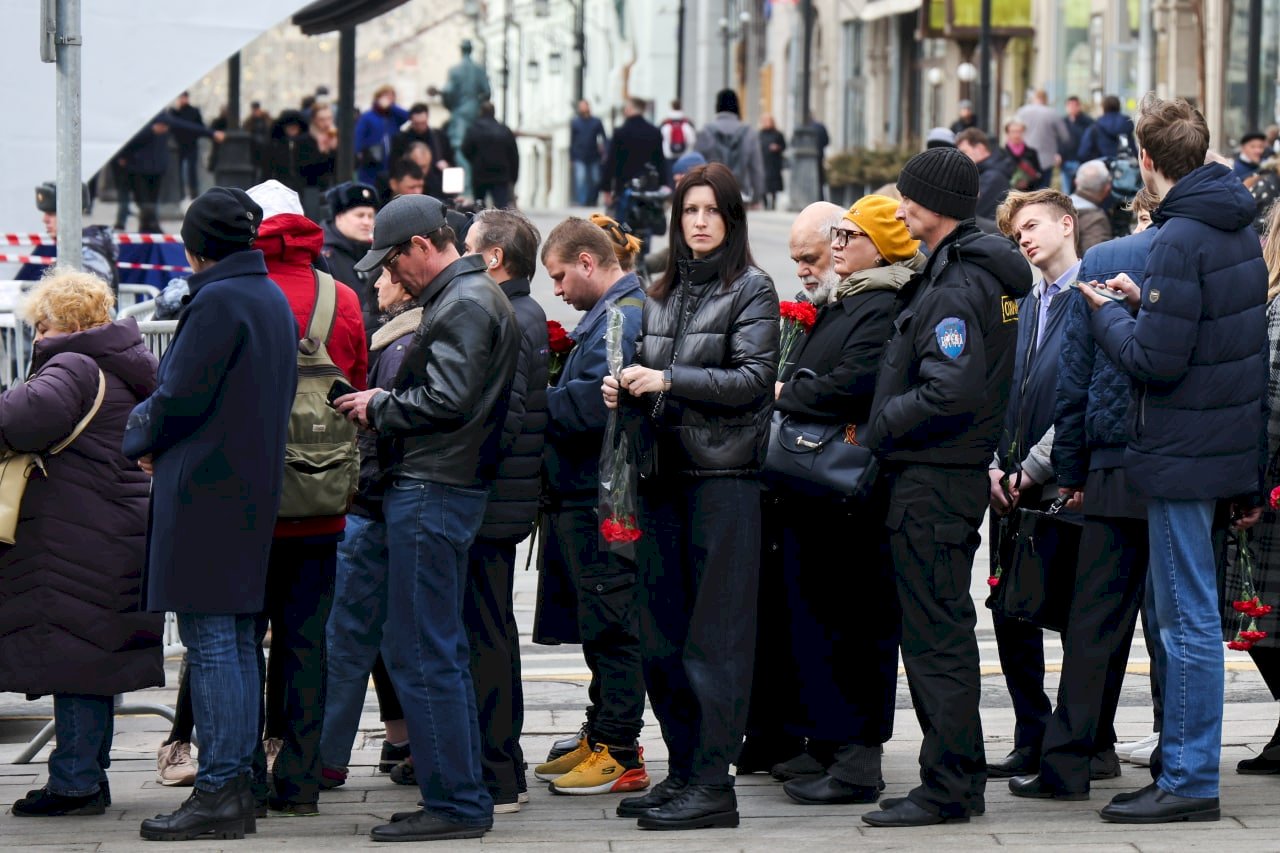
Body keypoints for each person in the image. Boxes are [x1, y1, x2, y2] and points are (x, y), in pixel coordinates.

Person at [1082, 95, 1267, 824]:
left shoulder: (1178, 238)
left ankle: (1188, 777)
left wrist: (1107, 313)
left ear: (1148, 161)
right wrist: (1143, 298)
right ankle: (1183, 768)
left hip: (1179, 452)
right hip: (1218, 449)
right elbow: (1224, 346)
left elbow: (1154, 362)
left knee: (1184, 619)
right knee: (1191, 615)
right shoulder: (1235, 228)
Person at [335, 193, 520, 841]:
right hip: (442, 486)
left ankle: (457, 802)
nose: (391, 275)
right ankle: (459, 793)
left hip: (435, 488)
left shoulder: (464, 302)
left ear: (421, 246)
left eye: (393, 260)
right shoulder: (467, 296)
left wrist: (380, 404)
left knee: (424, 650)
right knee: (431, 647)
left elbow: (448, 397)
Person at [859, 146, 1032, 827]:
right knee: (940, 632)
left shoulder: (958, 284)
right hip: (947, 480)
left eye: (906, 198)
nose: (899, 208)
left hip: (933, 482)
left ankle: (951, 783)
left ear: (931, 206)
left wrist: (881, 424)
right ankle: (950, 776)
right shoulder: (966, 270)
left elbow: (949, 390)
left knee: (936, 638)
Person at [603, 162, 779, 830]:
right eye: (689, 211)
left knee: (716, 641)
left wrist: (667, 377)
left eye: (712, 211)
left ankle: (713, 783)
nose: (699, 221)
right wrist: (624, 387)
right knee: (661, 637)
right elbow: (652, 371)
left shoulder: (752, 287)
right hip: (663, 475)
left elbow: (755, 378)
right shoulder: (663, 289)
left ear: (731, 220)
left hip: (724, 481)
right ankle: (683, 771)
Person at [126, 187, 298, 841]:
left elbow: (176, 395)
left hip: (205, 491)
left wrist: (140, 439)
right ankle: (240, 776)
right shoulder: (268, 296)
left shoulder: (219, 299)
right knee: (235, 639)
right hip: (248, 488)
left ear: (195, 247)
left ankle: (222, 785)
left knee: (214, 643)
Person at [1007, 188, 1162, 803]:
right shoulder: (1229, 257)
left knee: (1096, 621)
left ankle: (1073, 756)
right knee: (1174, 625)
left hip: (1115, 464)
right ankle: (1178, 763)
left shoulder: (1107, 265)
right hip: (1182, 467)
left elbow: (1078, 381)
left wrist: (1065, 471)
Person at [770, 197, 922, 807]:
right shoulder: (848, 298)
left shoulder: (883, 302)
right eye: (835, 233)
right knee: (819, 616)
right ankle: (830, 741)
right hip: (819, 492)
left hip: (854, 493)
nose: (837, 244)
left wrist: (789, 390)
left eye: (849, 234)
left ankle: (859, 758)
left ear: (880, 246)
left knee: (857, 621)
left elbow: (858, 381)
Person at [3, 272, 162, 818]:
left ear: (54, 321)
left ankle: (74, 783)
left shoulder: (72, 363)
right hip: (113, 526)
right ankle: (88, 776)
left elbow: (21, 422)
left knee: (73, 657)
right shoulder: (124, 362)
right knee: (94, 658)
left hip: (75, 532)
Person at [241, 180, 366, 816]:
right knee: (307, 641)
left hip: (247, 506)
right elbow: (358, 386)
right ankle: (300, 781)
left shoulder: (237, 296)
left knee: (239, 643)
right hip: (322, 502)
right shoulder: (341, 297)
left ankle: (243, 776)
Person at [532, 218, 649, 796]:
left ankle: (621, 748)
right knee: (600, 624)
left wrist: (535, 402)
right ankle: (601, 732)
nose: (556, 290)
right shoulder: (608, 313)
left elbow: (595, 402)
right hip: (587, 493)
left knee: (614, 624)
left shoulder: (624, 314)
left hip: (605, 496)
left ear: (586, 261)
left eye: (558, 276)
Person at [984, 189, 1094, 785]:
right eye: (1016, 231)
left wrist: (1037, 467)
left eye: (1032, 226)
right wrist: (996, 469)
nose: (1024, 238)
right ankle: (1031, 732)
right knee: (1011, 614)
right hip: (1010, 487)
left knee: (1076, 614)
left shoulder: (1089, 294)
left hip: (1062, 482)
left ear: (1066, 224)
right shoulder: (1022, 303)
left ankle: (1081, 740)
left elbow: (1080, 396)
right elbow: (999, 388)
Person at [460, 209, 549, 810]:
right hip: (503, 498)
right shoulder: (524, 311)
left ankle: (497, 769)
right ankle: (501, 763)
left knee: (486, 635)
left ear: (494, 258)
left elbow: (503, 417)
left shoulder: (508, 315)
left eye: (469, 249)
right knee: (492, 631)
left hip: (491, 501)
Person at [318, 268, 418, 792]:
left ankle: (327, 758)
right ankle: (415, 748)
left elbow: (384, 434)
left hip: (376, 506)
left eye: (384, 276)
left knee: (349, 637)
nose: (376, 286)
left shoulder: (401, 344)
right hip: (393, 506)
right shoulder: (404, 337)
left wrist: (360, 492)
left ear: (405, 285)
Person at [1224, 203, 1280, 774]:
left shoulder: (1277, 307)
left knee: (1261, 619)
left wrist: (1254, 482)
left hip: (1273, 484)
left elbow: (1274, 400)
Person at [116, 113, 225, 233]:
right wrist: (150, 132)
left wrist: (211, 133)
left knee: (150, 201)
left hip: (155, 168)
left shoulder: (161, 117)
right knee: (145, 201)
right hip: (139, 168)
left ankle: (149, 225)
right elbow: (128, 140)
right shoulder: (143, 121)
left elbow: (187, 126)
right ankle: (149, 225)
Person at [431, 39, 493, 197]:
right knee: (474, 149)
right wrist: (476, 103)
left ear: (461, 50)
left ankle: (465, 189)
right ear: (471, 50)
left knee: (460, 149)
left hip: (461, 113)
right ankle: (471, 187)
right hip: (474, 111)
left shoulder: (455, 70)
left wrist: (446, 98)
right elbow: (486, 92)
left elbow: (449, 92)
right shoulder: (479, 69)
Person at [32, 181, 118, 290]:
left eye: (52, 214)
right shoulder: (77, 251)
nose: (44, 220)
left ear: (72, 215)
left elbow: (86, 302)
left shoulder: (87, 256)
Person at [321, 181, 380, 336]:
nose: (367, 222)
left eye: (371, 216)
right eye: (360, 215)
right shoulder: (323, 257)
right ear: (339, 217)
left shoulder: (376, 251)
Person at [696, 89, 766, 207]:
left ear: (717, 105)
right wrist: (757, 195)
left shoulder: (706, 131)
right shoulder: (748, 132)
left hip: (711, 191)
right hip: (739, 192)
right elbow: (756, 168)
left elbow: (696, 163)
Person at [602, 97, 666, 212]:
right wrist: (664, 184)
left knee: (623, 225)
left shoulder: (620, 133)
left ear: (630, 109)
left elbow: (611, 162)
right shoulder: (654, 132)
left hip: (624, 187)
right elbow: (660, 161)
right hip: (648, 187)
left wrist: (606, 188)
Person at [390, 102, 455, 201]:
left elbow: (451, 160)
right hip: (411, 187)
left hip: (437, 187)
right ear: (411, 121)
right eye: (417, 124)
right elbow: (394, 165)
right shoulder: (400, 140)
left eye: (423, 123)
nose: (420, 127)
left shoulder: (439, 137)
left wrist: (447, 166)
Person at [461, 102, 520, 209]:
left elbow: (465, 149)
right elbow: (514, 156)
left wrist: (475, 161)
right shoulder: (504, 130)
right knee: (502, 209)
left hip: (480, 174)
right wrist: (513, 177)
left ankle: (479, 225)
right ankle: (501, 226)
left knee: (479, 207)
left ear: (481, 112)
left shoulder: (473, 129)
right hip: (501, 175)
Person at [354, 85, 411, 194]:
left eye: (391, 97)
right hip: (372, 162)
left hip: (390, 163)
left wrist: (392, 106)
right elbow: (358, 136)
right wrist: (358, 152)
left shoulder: (393, 117)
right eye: (385, 96)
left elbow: (407, 116)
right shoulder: (368, 116)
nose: (388, 100)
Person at [955, 128, 1014, 230]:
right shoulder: (987, 172)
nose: (961, 157)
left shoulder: (992, 177)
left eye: (964, 152)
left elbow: (971, 210)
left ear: (980, 148)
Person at [1015, 89, 1070, 190]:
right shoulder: (1052, 113)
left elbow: (1013, 131)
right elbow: (1065, 136)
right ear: (1046, 99)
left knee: (1025, 190)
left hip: (1025, 157)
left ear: (1033, 98)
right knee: (1042, 191)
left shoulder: (1022, 111)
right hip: (1046, 159)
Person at [168, 91, 207, 201]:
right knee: (179, 172)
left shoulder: (193, 111)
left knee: (192, 171)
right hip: (178, 146)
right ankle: (181, 194)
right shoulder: (175, 112)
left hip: (191, 144)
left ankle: (193, 193)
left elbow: (200, 127)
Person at [1070, 159, 1115, 251]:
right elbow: (1098, 259)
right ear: (1107, 188)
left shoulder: (1059, 208)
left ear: (1076, 182)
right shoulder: (1095, 221)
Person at [1078, 95, 1136, 165]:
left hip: (1102, 168)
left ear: (1103, 108)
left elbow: (1083, 153)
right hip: (1124, 169)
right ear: (1119, 107)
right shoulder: (1126, 125)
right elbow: (1133, 150)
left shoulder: (1095, 127)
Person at [570, 100, 608, 207]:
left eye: (583, 106)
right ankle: (583, 201)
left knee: (596, 179)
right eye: (580, 106)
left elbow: (604, 137)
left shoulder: (596, 121)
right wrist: (571, 156)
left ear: (588, 107)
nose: (582, 108)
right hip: (579, 155)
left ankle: (592, 200)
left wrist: (605, 152)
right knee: (581, 179)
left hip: (594, 155)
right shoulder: (575, 122)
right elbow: (572, 140)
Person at [1061, 95, 1095, 193]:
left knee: (1081, 190)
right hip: (1066, 160)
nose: (1072, 108)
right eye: (1069, 105)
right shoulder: (1063, 122)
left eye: (1074, 105)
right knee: (1066, 191)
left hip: (1081, 161)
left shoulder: (1087, 122)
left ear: (1079, 106)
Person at [1004, 119, 1045, 192]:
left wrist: (1028, 181)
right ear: (1007, 133)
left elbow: (1039, 175)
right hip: (1008, 195)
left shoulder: (1032, 153)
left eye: (1019, 131)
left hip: (1028, 194)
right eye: (1013, 132)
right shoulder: (1002, 153)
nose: (1017, 135)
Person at [660, 99, 697, 176]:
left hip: (668, 156)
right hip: (685, 156)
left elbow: (661, 139)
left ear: (671, 107)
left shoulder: (665, 123)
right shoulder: (688, 123)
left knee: (671, 179)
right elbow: (692, 140)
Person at [759, 115, 787, 211]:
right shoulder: (760, 134)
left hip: (774, 163)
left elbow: (784, 146)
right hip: (763, 162)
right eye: (765, 121)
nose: (766, 123)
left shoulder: (778, 134)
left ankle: (773, 203)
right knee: (763, 183)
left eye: (768, 121)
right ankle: (766, 203)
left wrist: (777, 147)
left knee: (774, 185)